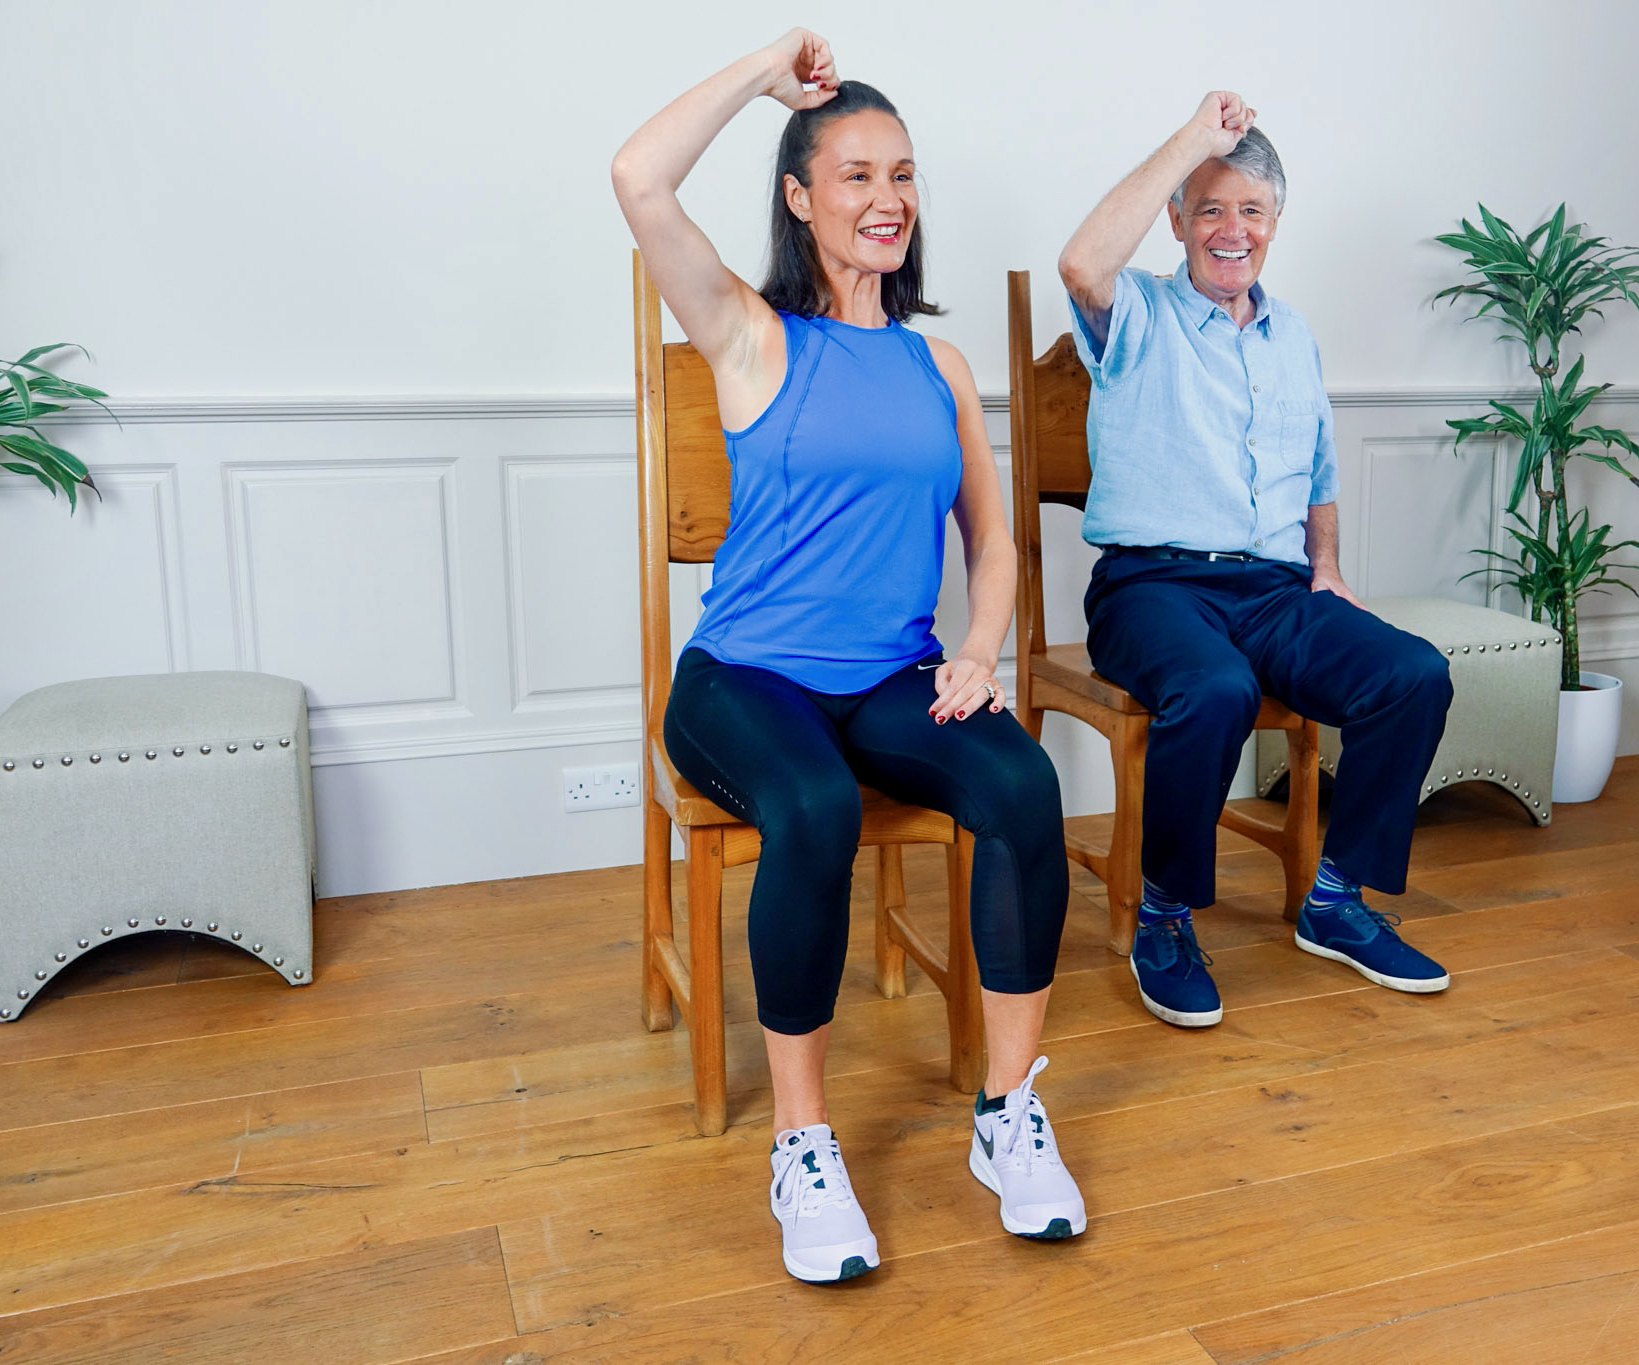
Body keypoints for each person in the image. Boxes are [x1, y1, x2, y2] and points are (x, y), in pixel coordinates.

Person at [612, 29, 1087, 1284]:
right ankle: (802, 1143)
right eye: (855, 175)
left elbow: (991, 545)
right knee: (812, 807)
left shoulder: (936, 361)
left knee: (1021, 786)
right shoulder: (748, 335)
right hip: (745, 680)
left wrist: (979, 652)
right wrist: (764, 72)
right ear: (798, 197)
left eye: (903, 175)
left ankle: (1007, 1112)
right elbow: (636, 180)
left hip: (890, 675)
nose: (887, 201)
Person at [1055, 91, 1455, 1031]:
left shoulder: (1295, 336)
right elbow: (1080, 259)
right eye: (1209, 209)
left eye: (1252, 212)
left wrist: (1329, 567)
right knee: (1218, 690)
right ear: (1177, 221)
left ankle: (1336, 898)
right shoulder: (1140, 312)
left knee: (1413, 675)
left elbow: (1317, 462)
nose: (1231, 231)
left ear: (1276, 224)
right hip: (1151, 588)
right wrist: (1198, 138)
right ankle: (1164, 914)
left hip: (1275, 589)